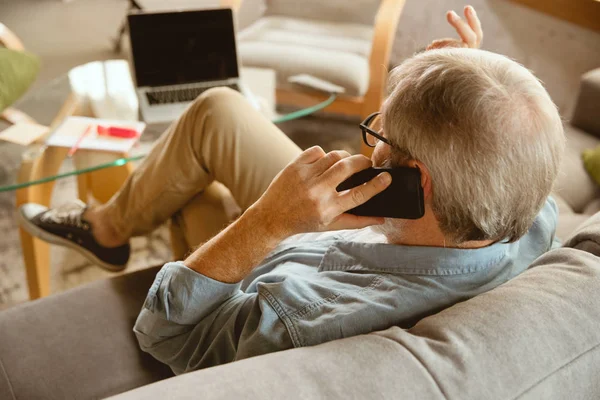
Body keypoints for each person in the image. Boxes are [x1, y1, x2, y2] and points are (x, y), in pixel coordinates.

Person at [19, 6, 565, 375]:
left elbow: (163, 329)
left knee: (196, 200)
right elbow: (496, 141)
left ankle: (110, 229)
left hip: (294, 254)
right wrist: (464, 88)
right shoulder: (528, 208)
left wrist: (266, 221)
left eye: (377, 135)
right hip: (387, 233)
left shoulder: (296, 321)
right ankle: (109, 227)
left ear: (415, 181)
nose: (367, 145)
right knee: (218, 110)